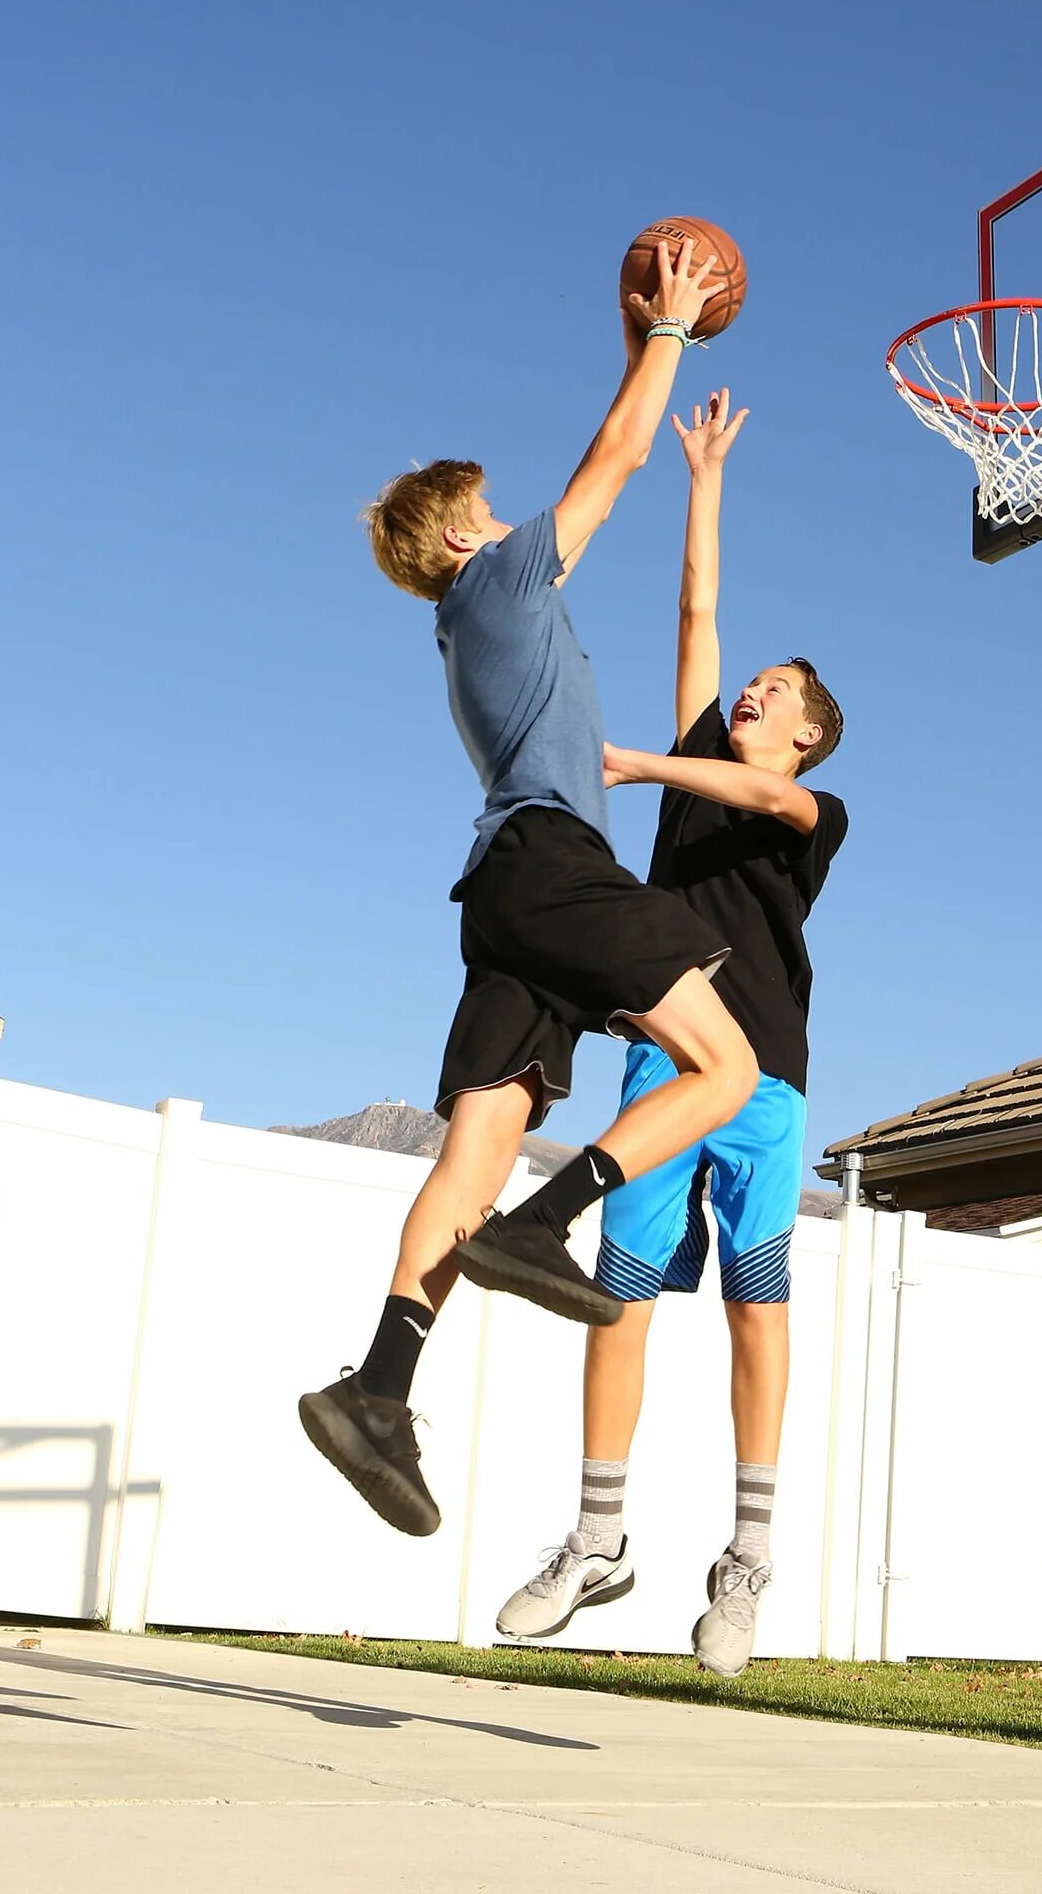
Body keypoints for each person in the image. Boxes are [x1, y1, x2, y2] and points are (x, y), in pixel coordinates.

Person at [299, 242, 761, 1542]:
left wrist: (640, 343)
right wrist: (669, 332)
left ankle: (377, 1391)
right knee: (725, 1067)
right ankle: (546, 1225)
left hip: (500, 896)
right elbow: (611, 468)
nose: (511, 525)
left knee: (474, 1148)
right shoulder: (498, 580)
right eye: (492, 513)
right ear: (459, 536)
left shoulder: (469, 620)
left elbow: (608, 443)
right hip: (554, 866)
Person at [491, 390, 847, 1676]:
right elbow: (695, 609)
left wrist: (638, 759)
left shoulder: (813, 805)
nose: (752, 688)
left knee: (757, 1309)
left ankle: (745, 1559)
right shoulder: (711, 749)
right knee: (618, 1301)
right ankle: (597, 1539)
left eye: (776, 691)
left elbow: (755, 789)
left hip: (762, 1086)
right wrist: (702, 476)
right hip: (662, 1064)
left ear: (806, 732)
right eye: (750, 684)